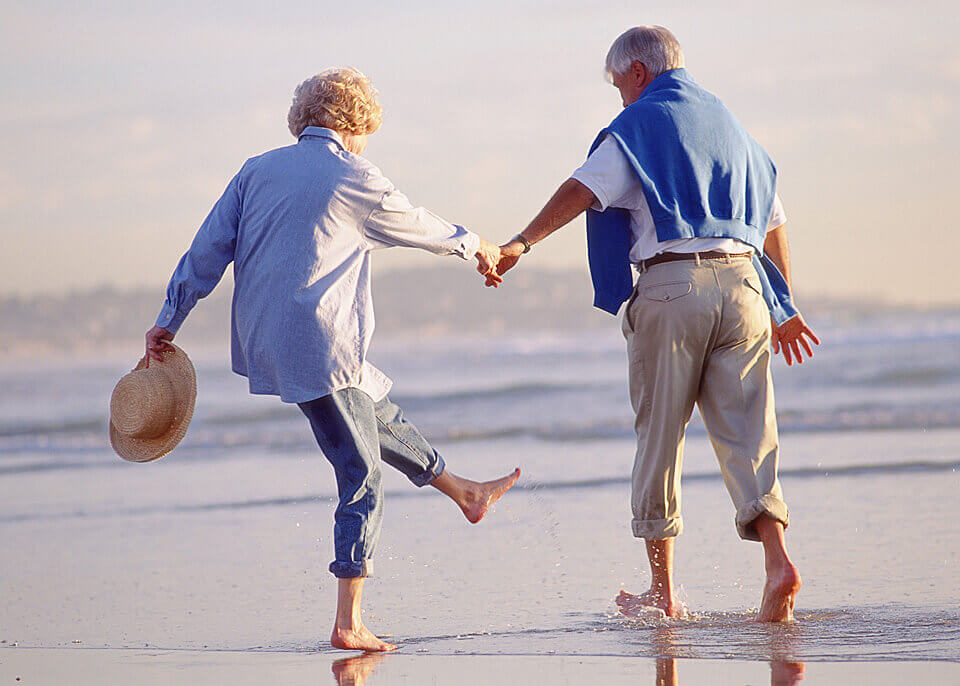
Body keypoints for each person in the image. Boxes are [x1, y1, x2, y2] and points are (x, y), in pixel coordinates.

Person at [144, 67, 521, 652]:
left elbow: (206, 252)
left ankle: (463, 492)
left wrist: (169, 319)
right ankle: (349, 622)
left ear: (306, 117)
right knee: (361, 472)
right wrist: (480, 248)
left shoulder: (256, 170)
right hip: (317, 341)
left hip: (265, 336)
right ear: (354, 122)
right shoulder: (355, 176)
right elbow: (420, 226)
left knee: (378, 410)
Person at [489, 27, 818, 622]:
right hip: (745, 288)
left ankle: (663, 596)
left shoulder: (641, 123)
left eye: (619, 85)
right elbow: (774, 220)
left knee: (659, 438)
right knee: (749, 436)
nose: (620, 99)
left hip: (673, 286)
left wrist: (521, 242)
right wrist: (784, 305)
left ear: (639, 72)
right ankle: (777, 560)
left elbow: (584, 187)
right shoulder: (734, 128)